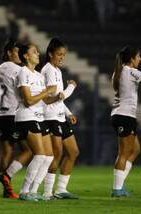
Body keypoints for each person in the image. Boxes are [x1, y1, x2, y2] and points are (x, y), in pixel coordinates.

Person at [14, 43, 55, 201]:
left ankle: (34, 190)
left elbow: (46, 100)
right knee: (39, 155)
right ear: (25, 56)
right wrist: (47, 91)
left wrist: (57, 97)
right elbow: (28, 101)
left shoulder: (38, 75)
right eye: (34, 52)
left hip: (39, 117)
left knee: (48, 157)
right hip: (27, 117)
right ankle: (24, 191)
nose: (38, 54)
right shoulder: (23, 72)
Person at [41, 38, 80, 200]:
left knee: (73, 152)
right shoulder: (48, 70)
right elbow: (57, 96)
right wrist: (71, 86)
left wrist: (68, 113)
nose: (62, 57)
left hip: (60, 117)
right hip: (50, 118)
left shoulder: (57, 70)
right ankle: (47, 192)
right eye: (59, 54)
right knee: (56, 154)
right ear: (50, 54)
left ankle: (61, 189)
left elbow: (59, 99)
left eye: (64, 54)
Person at [0, 38, 32, 199]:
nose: (21, 56)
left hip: (0, 113)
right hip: (13, 114)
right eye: (17, 52)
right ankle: (7, 177)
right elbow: (23, 92)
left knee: (5, 152)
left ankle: (6, 189)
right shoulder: (18, 70)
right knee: (30, 150)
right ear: (9, 53)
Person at [110, 46, 141, 197]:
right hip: (125, 116)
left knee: (135, 149)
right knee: (123, 152)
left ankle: (120, 183)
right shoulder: (131, 72)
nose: (140, 59)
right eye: (138, 57)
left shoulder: (118, 72)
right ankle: (117, 189)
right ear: (131, 59)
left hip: (121, 115)